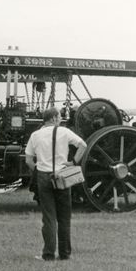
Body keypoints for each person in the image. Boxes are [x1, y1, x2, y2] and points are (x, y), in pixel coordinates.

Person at [25, 107, 87, 261]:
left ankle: (48, 254)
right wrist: (73, 162)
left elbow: (28, 160)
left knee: (49, 217)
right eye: (59, 117)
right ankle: (65, 254)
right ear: (53, 118)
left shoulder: (35, 135)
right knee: (64, 217)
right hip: (62, 176)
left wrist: (38, 171)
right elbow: (83, 145)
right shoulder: (64, 132)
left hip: (43, 176)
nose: (61, 119)